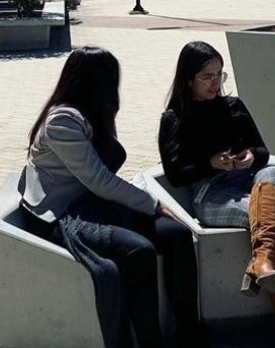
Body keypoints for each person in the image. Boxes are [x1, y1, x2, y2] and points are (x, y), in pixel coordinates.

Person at [19, 46, 206, 348]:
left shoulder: (92, 113)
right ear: (96, 82)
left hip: (92, 203)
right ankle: (148, 341)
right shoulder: (62, 122)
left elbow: (103, 182)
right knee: (139, 251)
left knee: (177, 233)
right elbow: (99, 180)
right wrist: (152, 203)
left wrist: (149, 206)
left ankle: (188, 330)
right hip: (63, 213)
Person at [157, 41, 275, 348]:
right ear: (188, 78)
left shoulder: (233, 106)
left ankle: (260, 263)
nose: (215, 83)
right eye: (207, 76)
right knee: (273, 224)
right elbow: (177, 173)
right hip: (211, 195)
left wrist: (250, 159)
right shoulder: (174, 117)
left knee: (272, 174)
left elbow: (263, 153)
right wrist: (209, 164)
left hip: (248, 182)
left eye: (220, 74)